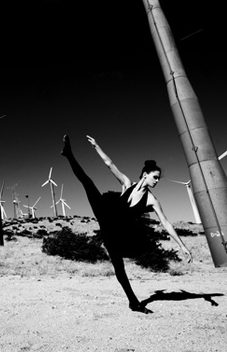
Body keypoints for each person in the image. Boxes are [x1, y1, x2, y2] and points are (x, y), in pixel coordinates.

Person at [61, 134, 192, 313]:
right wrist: (96, 146)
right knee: (87, 181)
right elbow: (110, 164)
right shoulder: (127, 183)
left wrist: (182, 246)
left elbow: (166, 223)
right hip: (105, 213)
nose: (157, 181)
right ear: (145, 175)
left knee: (119, 268)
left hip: (116, 232)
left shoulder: (152, 200)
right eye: (155, 177)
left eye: (159, 178)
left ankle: (133, 303)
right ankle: (68, 153)